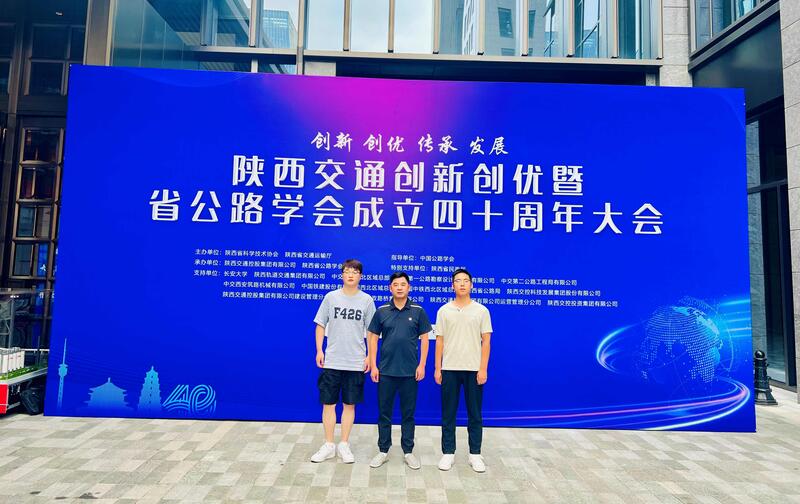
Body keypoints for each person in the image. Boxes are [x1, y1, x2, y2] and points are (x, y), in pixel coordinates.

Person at [310, 259, 376, 464]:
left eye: (355, 272)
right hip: (332, 361)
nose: (350, 275)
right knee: (328, 404)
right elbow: (320, 324)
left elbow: (372, 331)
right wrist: (319, 350)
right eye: (347, 271)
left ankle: (344, 444)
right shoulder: (331, 298)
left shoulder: (367, 300)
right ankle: (329, 445)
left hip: (355, 362)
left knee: (349, 405)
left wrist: (370, 356)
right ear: (342, 275)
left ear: (360, 276)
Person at [367, 272, 431, 469]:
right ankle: (383, 450)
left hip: (410, 373)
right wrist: (373, 365)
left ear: (409, 288)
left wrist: (422, 365)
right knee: (384, 413)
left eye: (403, 284)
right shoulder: (382, 311)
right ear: (390, 288)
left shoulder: (418, 311)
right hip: (385, 371)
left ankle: (408, 451)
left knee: (408, 414)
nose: (400, 287)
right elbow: (372, 338)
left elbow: (425, 339)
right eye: (396, 284)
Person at [434, 268, 493, 473]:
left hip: (473, 369)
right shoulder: (444, 310)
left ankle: (475, 454)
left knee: (474, 414)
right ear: (452, 286)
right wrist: (438, 368)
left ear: (471, 285)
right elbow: (439, 341)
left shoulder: (481, 311)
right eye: (458, 281)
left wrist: (483, 368)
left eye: (465, 281)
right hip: (449, 368)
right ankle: (448, 453)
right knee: (448, 413)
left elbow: (486, 342)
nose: (462, 284)